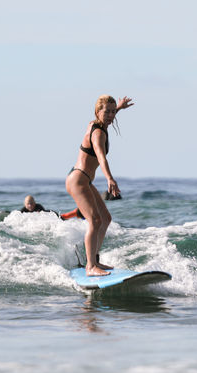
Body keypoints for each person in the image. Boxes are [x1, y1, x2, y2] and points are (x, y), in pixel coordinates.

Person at [65, 95, 134, 276]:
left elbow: (107, 115)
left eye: (113, 112)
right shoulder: (98, 133)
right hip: (78, 180)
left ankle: (94, 261)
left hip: (83, 180)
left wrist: (118, 107)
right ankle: (90, 267)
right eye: (107, 111)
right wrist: (110, 179)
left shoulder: (97, 124)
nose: (111, 115)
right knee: (95, 220)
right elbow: (101, 157)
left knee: (105, 218)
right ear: (97, 112)